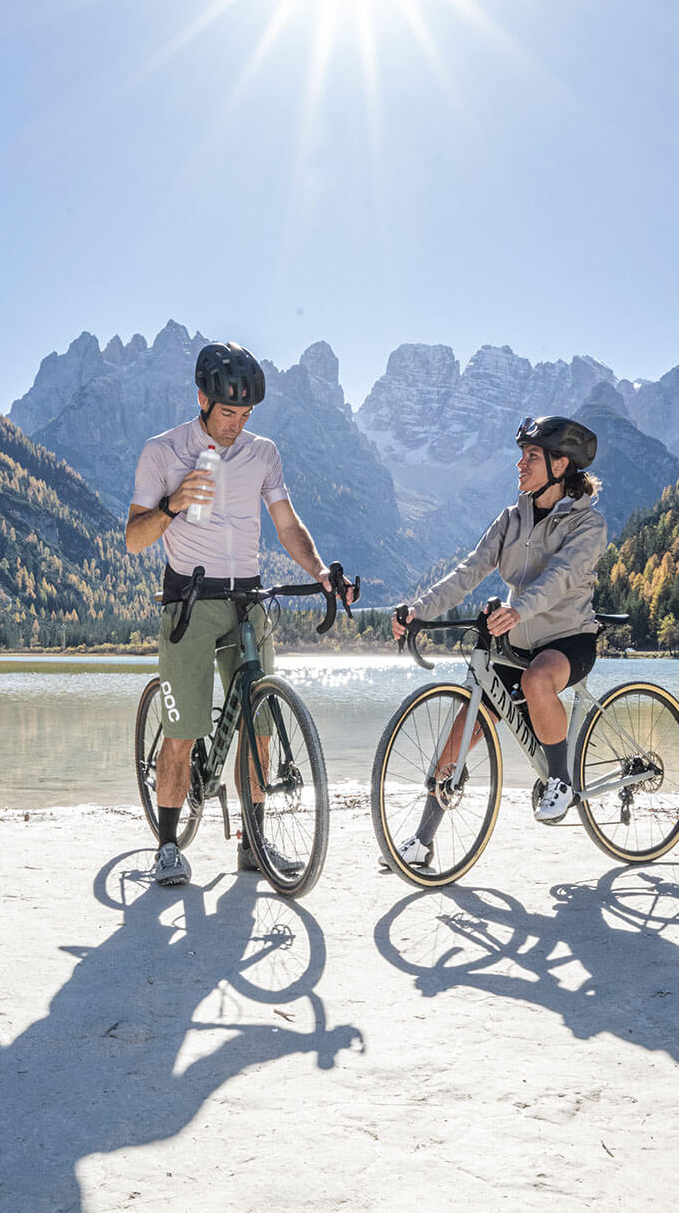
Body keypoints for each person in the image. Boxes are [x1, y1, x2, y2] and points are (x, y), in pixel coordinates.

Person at [126, 341, 341, 887]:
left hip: (247, 599)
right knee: (182, 730)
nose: (236, 426)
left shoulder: (262, 453)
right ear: (201, 400)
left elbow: (288, 525)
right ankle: (169, 845)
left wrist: (320, 572)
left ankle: (252, 843)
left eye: (246, 416)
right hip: (189, 602)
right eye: (228, 413)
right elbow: (133, 539)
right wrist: (172, 505)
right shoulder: (162, 451)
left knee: (260, 722)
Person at [391, 415, 605, 858]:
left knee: (537, 681)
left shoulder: (589, 525)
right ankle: (422, 842)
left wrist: (518, 609)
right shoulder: (511, 519)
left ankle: (561, 781)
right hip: (518, 641)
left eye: (531, 457)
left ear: (560, 464)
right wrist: (419, 609)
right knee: (462, 728)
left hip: (569, 638)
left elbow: (563, 578)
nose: (520, 466)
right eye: (521, 457)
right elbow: (468, 572)